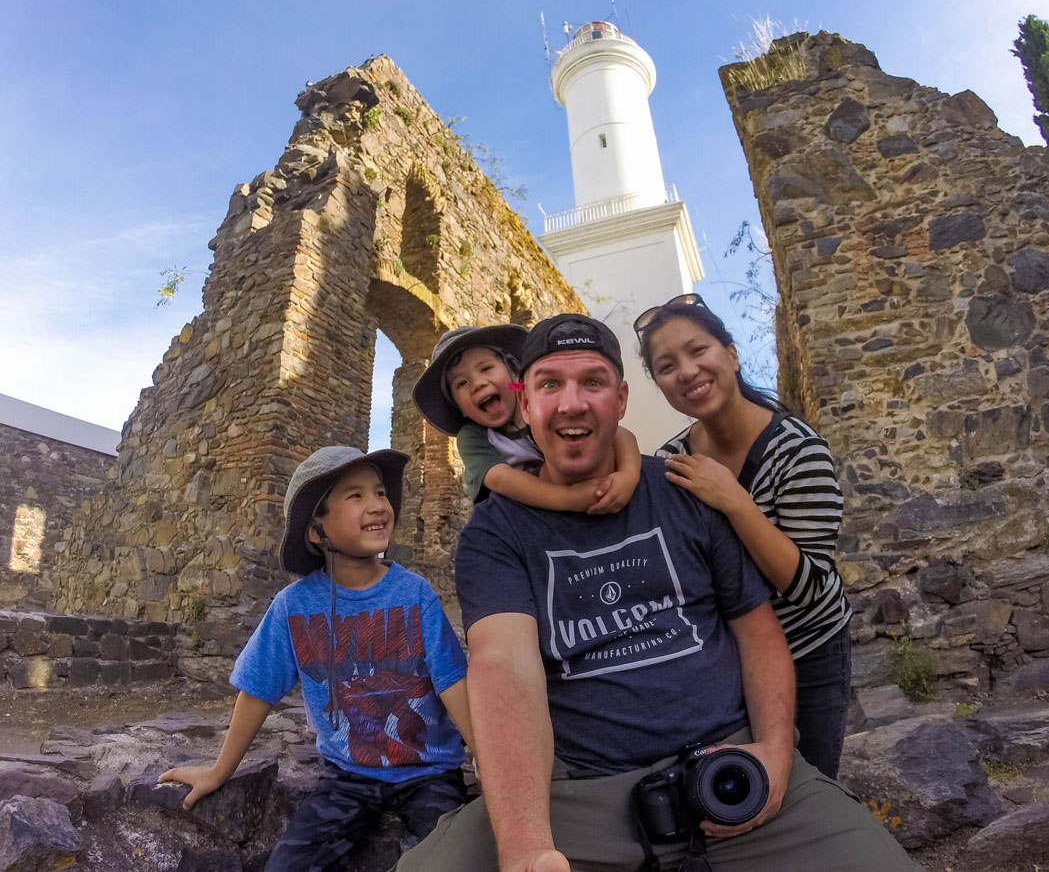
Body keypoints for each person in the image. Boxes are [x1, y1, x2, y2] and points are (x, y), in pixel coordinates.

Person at [396, 314, 918, 872]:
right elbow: (503, 666)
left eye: (593, 382)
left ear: (621, 399)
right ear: (526, 405)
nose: (572, 403)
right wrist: (527, 847)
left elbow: (758, 627)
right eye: (551, 385)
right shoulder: (495, 532)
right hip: (582, 793)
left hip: (726, 763)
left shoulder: (686, 489)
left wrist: (773, 751)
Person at [160, 446, 474, 872]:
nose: (378, 505)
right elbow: (257, 690)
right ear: (316, 530)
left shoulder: (414, 593)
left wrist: (492, 767)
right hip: (347, 777)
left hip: (430, 772)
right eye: (355, 496)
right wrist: (219, 770)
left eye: (380, 493)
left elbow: (454, 683)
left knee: (455, 860)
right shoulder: (294, 605)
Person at [635, 293, 853, 780]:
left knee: (808, 784)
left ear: (730, 354)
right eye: (666, 366)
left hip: (808, 651)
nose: (687, 372)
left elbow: (808, 584)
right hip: (730, 662)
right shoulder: (673, 461)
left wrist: (734, 499)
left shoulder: (797, 451)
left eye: (698, 351)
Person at [412, 324, 640, 511]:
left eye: (486, 368)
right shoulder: (473, 437)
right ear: (459, 407)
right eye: (461, 383)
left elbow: (619, 434)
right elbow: (500, 478)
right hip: (522, 517)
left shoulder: (544, 412)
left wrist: (628, 476)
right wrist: (567, 498)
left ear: (515, 376)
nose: (478, 383)